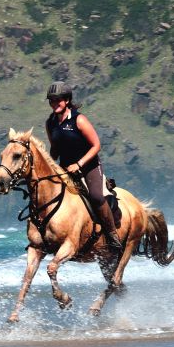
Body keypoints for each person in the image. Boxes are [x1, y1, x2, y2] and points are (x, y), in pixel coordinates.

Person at [44, 81, 123, 257]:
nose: (54, 104)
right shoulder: (50, 123)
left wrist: (79, 164)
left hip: (89, 166)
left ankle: (112, 236)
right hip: (65, 168)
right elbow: (54, 149)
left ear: (67, 100)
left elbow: (96, 145)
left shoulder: (79, 120)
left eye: (58, 100)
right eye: (51, 101)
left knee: (95, 196)